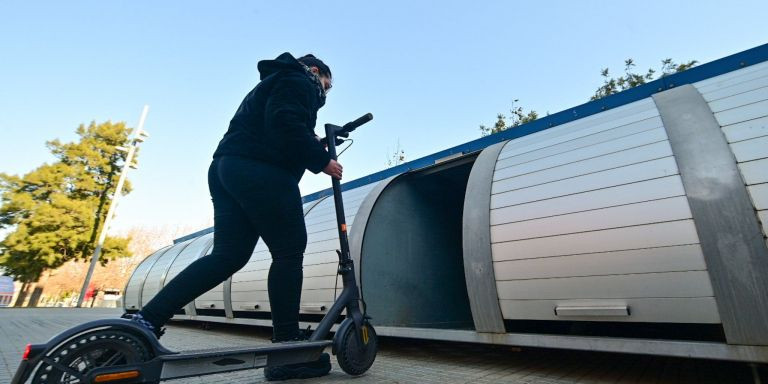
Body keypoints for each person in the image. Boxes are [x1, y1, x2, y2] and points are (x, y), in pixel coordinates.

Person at [122, 52, 341, 381]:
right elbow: (285, 122)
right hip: (260, 171)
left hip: (228, 167)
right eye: (327, 84)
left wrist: (309, 143)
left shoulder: (274, 82)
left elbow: (277, 125)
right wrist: (321, 160)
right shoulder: (299, 80)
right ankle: (286, 348)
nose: (325, 92)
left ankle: (147, 319)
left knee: (229, 255)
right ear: (314, 71)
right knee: (289, 250)